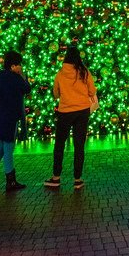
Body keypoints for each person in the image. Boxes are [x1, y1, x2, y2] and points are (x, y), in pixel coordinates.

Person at [44, 43, 97, 190]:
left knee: (60, 144)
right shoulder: (84, 72)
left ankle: (56, 177)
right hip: (82, 111)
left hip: (66, 111)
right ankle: (77, 179)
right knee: (79, 145)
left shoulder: (61, 73)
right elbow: (92, 91)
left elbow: (55, 93)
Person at [0, 49, 30, 192]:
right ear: (13, 66)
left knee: (2, 147)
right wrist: (22, 75)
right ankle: (11, 181)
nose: (20, 67)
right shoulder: (15, 78)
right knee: (9, 149)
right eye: (19, 64)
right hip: (9, 118)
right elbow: (27, 88)